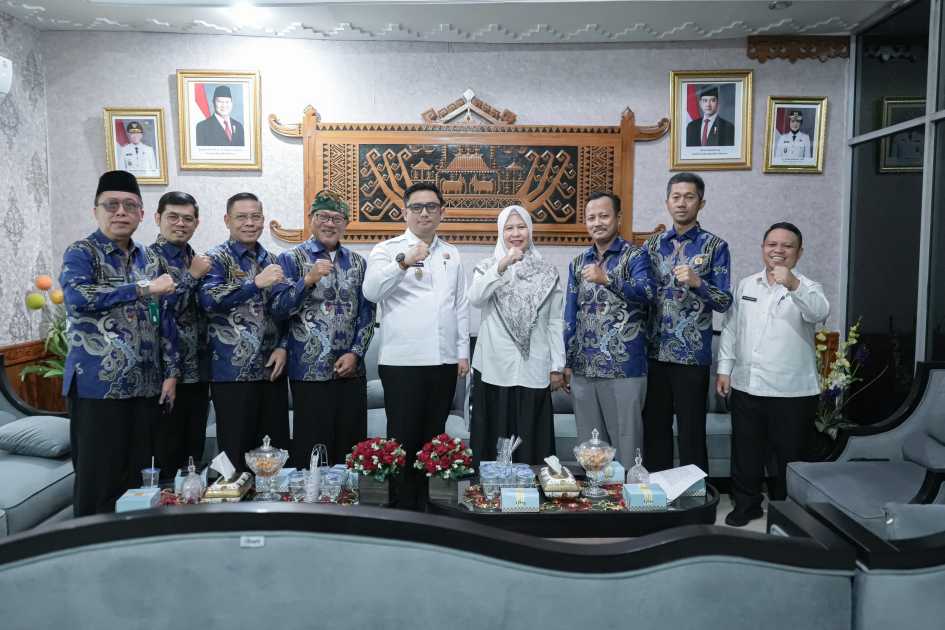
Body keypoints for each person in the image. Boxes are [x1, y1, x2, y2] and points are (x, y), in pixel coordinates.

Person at [59, 170, 179, 516]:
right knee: (98, 480)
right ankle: (89, 542)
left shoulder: (150, 259)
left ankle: (135, 542)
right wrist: (143, 288)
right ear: (96, 211)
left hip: (146, 386)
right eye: (111, 205)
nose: (121, 212)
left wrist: (171, 373)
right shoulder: (82, 252)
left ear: (141, 214)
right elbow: (78, 298)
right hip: (99, 387)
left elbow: (165, 318)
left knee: (140, 481)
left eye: (129, 205)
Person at [362, 182, 470, 510]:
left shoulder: (451, 253)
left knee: (433, 440)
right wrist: (403, 262)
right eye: (417, 207)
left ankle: (426, 506)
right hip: (402, 361)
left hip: (443, 361)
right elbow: (371, 292)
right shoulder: (387, 250)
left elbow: (459, 306)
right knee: (403, 438)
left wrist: (462, 352)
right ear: (404, 212)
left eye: (431, 207)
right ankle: (402, 508)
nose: (425, 213)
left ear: (442, 212)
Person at [716, 222, 829, 527]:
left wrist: (792, 284)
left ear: (799, 252)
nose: (778, 250)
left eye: (787, 246)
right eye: (772, 244)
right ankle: (746, 506)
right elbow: (731, 329)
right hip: (747, 385)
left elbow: (819, 312)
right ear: (763, 248)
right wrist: (724, 369)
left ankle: (787, 512)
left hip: (792, 391)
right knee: (745, 452)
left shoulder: (809, 287)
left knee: (790, 457)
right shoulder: (746, 285)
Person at [271, 190, 376, 468]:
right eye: (323, 216)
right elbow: (279, 309)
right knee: (312, 450)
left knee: (351, 451)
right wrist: (307, 280)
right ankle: (312, 497)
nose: (329, 223)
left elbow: (368, 314)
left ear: (346, 224)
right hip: (309, 371)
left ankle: (349, 495)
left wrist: (356, 353)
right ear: (311, 218)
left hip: (351, 372)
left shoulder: (358, 262)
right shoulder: (290, 259)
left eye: (337, 218)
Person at [643, 173, 732, 473]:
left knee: (692, 432)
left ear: (701, 203)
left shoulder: (715, 246)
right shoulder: (652, 245)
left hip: (691, 357)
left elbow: (724, 301)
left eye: (689, 197)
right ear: (667, 202)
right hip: (654, 354)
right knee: (655, 431)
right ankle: (656, 492)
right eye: (676, 197)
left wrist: (698, 283)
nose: (682, 203)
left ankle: (694, 494)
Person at [563, 191, 656, 468]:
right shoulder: (578, 262)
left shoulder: (636, 256)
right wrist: (566, 361)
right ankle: (595, 495)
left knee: (626, 445)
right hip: (583, 369)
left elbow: (648, 293)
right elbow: (570, 316)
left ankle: (627, 495)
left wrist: (608, 279)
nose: (597, 222)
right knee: (590, 449)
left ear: (618, 218)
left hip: (623, 368)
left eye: (604, 216)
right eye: (591, 217)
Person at [469, 205, 565, 466]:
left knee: (532, 440)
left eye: (521, 227)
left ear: (530, 230)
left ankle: (530, 488)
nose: (515, 233)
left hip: (533, 365)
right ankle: (491, 488)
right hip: (494, 366)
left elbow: (555, 321)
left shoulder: (548, 272)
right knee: (493, 439)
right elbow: (475, 298)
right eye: (509, 228)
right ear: (501, 232)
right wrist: (501, 266)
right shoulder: (486, 267)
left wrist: (557, 365)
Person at [198, 192, 289, 471]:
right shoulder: (214, 258)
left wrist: (283, 345)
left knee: (275, 454)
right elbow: (208, 300)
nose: (249, 223)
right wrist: (254, 284)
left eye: (255, 216)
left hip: (270, 371)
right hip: (232, 373)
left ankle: (274, 501)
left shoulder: (273, 259)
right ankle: (233, 500)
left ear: (263, 219)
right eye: (241, 217)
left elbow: (285, 310)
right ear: (227, 220)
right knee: (235, 455)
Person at [148, 191, 213, 479]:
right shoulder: (148, 259)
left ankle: (191, 500)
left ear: (196, 223)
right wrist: (192, 276)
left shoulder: (195, 258)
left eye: (187, 218)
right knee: (165, 451)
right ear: (157, 218)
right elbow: (161, 311)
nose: (180, 224)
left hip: (198, 370)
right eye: (173, 217)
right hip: (165, 373)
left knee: (193, 453)